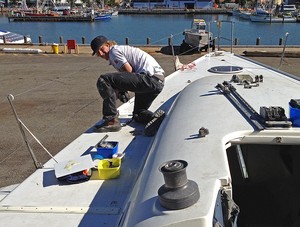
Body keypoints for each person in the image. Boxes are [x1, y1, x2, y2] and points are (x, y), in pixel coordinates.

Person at [90, 35, 165, 136]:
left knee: (104, 80)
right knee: (138, 114)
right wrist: (121, 89)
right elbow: (128, 77)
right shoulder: (119, 51)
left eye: (101, 49)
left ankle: (111, 120)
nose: (101, 53)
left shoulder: (114, 52)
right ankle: (155, 119)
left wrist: (120, 90)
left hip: (148, 79)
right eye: (97, 53)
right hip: (157, 82)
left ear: (108, 45)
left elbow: (129, 71)